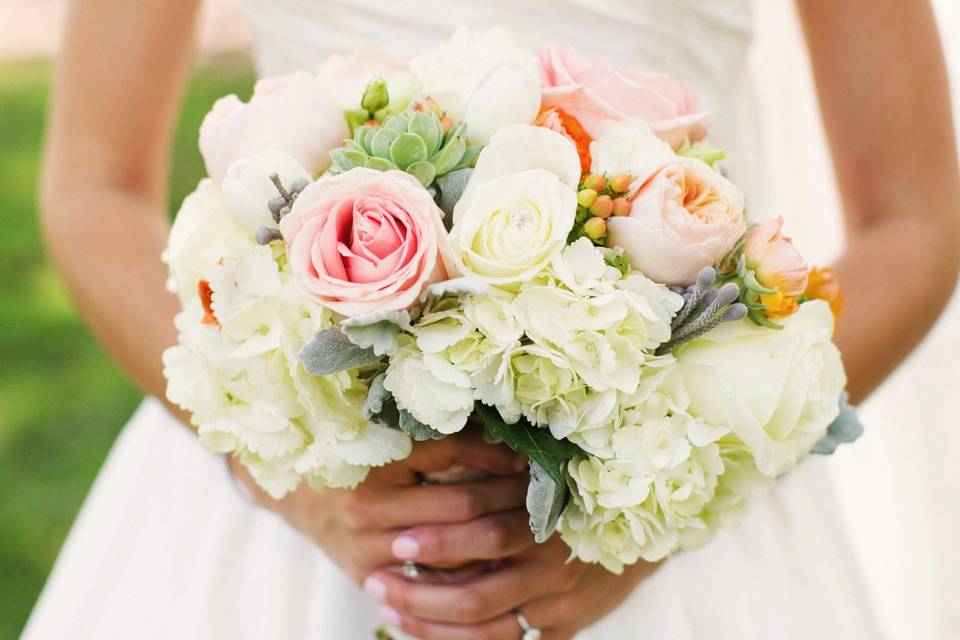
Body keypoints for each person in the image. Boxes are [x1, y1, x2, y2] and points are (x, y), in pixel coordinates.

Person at [25, 0, 960, 638]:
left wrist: (655, 514)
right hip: (286, 501)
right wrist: (287, 479)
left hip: (683, 527)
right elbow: (94, 186)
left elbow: (915, 218)